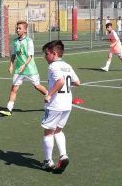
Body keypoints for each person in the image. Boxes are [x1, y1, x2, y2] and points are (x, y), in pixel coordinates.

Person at [40, 40, 80, 174]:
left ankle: (48, 162)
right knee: (58, 131)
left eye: (47, 54)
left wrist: (49, 94)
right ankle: (63, 155)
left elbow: (61, 81)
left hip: (55, 105)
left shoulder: (53, 66)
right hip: (67, 104)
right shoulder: (67, 65)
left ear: (54, 53)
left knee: (48, 132)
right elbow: (77, 82)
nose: (45, 57)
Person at [0, 20, 48, 116]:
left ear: (25, 30)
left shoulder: (29, 41)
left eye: (19, 28)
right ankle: (9, 110)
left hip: (30, 69)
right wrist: (11, 65)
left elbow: (30, 56)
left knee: (37, 86)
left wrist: (24, 65)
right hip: (19, 70)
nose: (17, 30)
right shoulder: (15, 41)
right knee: (14, 88)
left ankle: (49, 94)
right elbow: (13, 54)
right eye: (17, 28)